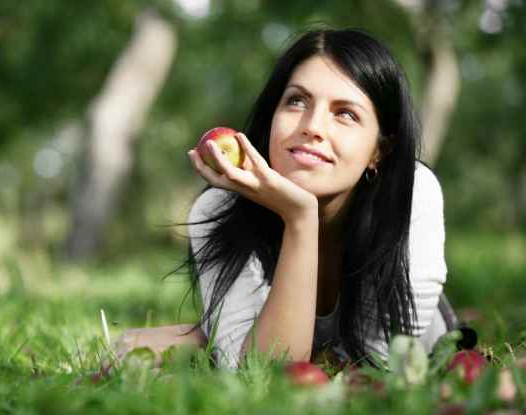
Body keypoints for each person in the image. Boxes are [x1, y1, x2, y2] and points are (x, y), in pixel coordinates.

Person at [115, 27, 457, 370]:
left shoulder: (413, 194)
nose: (313, 126)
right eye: (296, 101)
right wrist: (301, 219)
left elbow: (375, 367)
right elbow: (260, 374)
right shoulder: (221, 208)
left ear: (378, 152)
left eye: (345, 114)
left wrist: (202, 341)